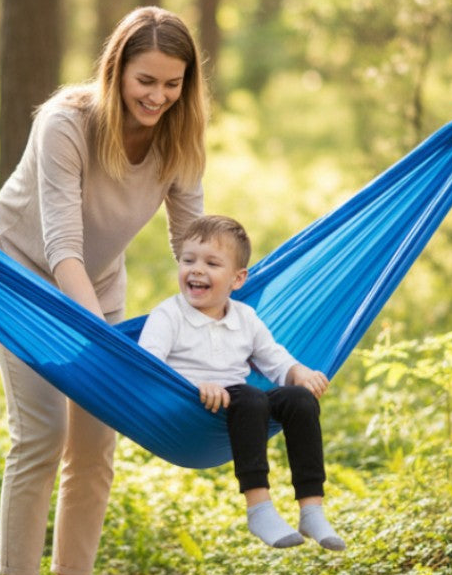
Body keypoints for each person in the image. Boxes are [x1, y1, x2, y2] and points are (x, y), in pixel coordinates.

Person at [0, 7, 207, 575]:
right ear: (116, 70)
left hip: (99, 286)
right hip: (19, 279)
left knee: (95, 445)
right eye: (146, 81)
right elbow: (60, 242)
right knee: (42, 433)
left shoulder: (178, 134)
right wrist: (103, 341)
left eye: (173, 84)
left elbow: (189, 234)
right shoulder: (66, 123)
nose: (159, 97)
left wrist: (223, 290)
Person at [139, 214, 345, 552]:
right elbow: (147, 366)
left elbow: (275, 360)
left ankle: (311, 508)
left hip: (243, 407)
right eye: (188, 260)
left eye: (211, 263)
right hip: (190, 407)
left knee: (299, 399)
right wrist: (194, 386)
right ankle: (259, 508)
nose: (196, 270)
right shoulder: (168, 315)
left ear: (238, 279)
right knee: (251, 396)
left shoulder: (245, 318)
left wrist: (300, 373)